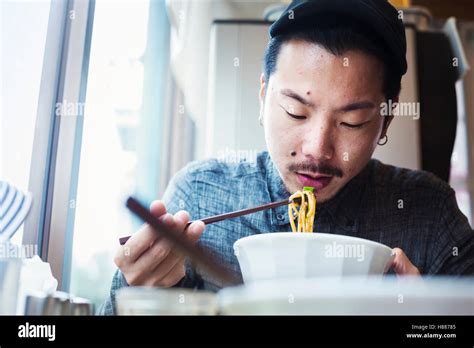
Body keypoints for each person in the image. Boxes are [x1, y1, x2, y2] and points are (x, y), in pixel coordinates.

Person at [100, 0, 474, 315]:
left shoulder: (429, 214)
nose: (317, 149)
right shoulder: (199, 194)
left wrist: (430, 324)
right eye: (296, 112)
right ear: (264, 97)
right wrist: (132, 291)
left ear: (386, 119)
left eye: (352, 121)